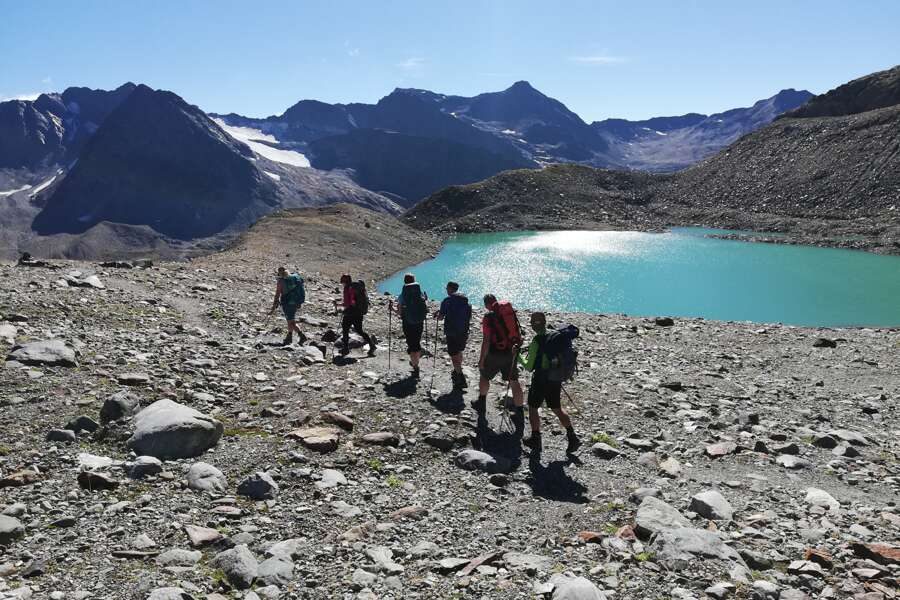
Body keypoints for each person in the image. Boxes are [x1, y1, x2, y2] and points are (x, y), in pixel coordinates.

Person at [518, 312, 582, 455]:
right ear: (545, 322)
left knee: (533, 407)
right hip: (555, 378)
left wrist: (517, 356)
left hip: (541, 379)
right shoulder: (555, 336)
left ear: (532, 324)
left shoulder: (537, 340)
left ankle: (535, 439)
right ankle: (572, 437)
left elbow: (528, 367)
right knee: (557, 408)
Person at [476, 294, 525, 437]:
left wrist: (481, 359)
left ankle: (482, 402)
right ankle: (520, 412)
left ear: (486, 304)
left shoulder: (488, 317)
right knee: (514, 381)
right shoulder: (509, 313)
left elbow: (486, 340)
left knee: (484, 376)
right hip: (511, 351)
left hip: (494, 353)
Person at [434, 281, 472, 389]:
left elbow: (441, 317)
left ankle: (461, 377)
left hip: (451, 332)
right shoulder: (466, 302)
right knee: (459, 351)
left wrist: (439, 315)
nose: (446, 290)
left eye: (447, 288)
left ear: (450, 289)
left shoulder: (447, 301)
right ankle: (457, 370)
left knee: (453, 354)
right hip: (463, 332)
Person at [333, 274, 375, 357]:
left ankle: (345, 348)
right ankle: (372, 345)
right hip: (359, 312)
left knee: (345, 328)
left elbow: (347, 303)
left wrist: (338, 305)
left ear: (344, 282)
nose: (342, 284)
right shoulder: (355, 287)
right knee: (359, 330)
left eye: (342, 282)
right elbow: (352, 302)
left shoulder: (347, 288)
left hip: (350, 313)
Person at [394, 273, 428, 377]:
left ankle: (415, 365)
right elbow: (425, 307)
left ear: (404, 282)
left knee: (412, 344)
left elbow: (399, 312)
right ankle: (415, 360)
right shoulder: (420, 294)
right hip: (419, 322)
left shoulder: (402, 296)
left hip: (407, 322)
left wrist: (392, 309)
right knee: (416, 342)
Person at [269, 267, 305, 345]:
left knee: (291, 321)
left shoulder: (281, 281)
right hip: (296, 302)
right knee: (291, 320)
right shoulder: (294, 278)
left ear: (279, 273)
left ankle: (301, 336)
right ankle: (290, 336)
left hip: (287, 303)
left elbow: (278, 293)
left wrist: (275, 303)